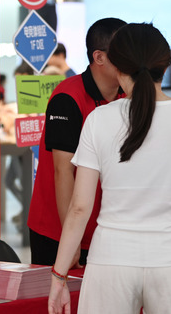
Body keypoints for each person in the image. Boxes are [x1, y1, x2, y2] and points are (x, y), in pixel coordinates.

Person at [47, 23, 171, 314]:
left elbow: (80, 208)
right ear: (166, 66)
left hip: (111, 258)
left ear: (118, 67)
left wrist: (59, 276)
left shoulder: (98, 119)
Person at [28, 17, 127, 267]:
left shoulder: (127, 96)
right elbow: (63, 171)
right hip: (57, 230)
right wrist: (70, 237)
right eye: (124, 52)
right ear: (99, 57)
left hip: (105, 230)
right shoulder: (67, 97)